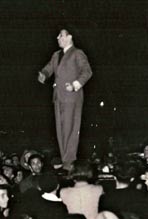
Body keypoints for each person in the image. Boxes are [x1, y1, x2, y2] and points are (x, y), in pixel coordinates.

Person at [38, 28, 93, 170]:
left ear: (69, 37)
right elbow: (49, 68)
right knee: (60, 129)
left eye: (61, 35)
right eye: (58, 36)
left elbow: (87, 71)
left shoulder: (77, 53)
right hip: (58, 96)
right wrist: (43, 74)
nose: (58, 38)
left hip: (71, 96)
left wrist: (75, 84)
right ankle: (65, 160)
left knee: (70, 128)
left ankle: (69, 161)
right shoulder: (56, 55)